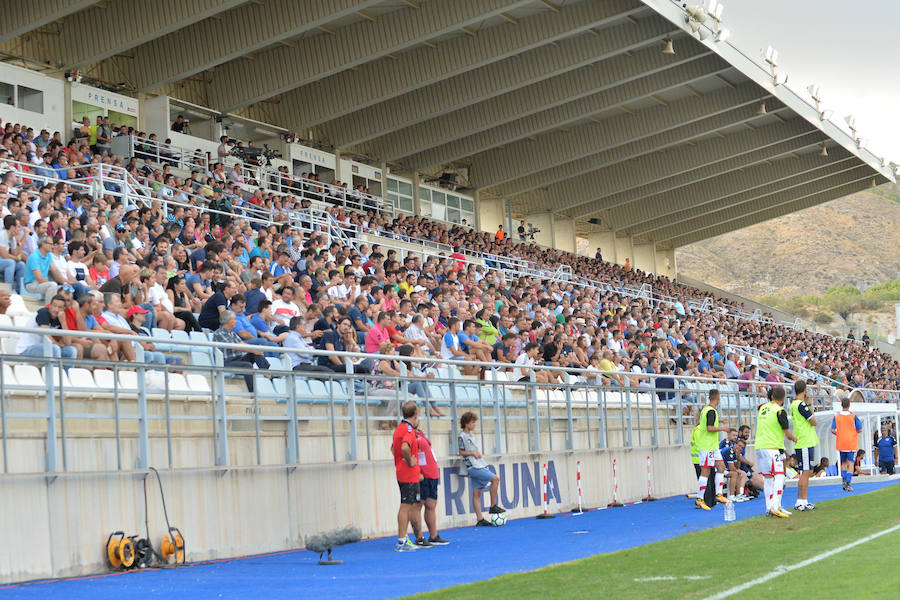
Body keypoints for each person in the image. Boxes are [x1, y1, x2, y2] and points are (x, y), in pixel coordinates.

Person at [756, 386, 797, 518]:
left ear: (771, 396)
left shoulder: (763, 407)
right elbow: (787, 433)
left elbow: (760, 405)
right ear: (783, 398)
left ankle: (770, 508)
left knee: (768, 478)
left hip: (760, 447)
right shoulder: (780, 411)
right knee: (780, 476)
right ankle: (775, 506)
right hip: (771, 447)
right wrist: (796, 439)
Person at [457, 411, 505, 526]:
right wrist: (473, 453)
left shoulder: (471, 435)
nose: (474, 425)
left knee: (477, 492)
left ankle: (480, 519)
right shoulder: (461, 436)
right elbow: (461, 452)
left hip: (478, 463)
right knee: (495, 479)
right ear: (467, 423)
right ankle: (493, 506)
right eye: (472, 422)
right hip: (472, 466)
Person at [210, 310, 269, 392]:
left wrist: (255, 350)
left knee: (254, 353)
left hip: (237, 359)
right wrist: (254, 350)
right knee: (247, 365)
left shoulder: (232, 333)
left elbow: (242, 343)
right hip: (226, 363)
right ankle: (253, 393)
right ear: (228, 321)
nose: (236, 321)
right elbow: (235, 347)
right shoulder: (219, 333)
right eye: (234, 319)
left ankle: (267, 373)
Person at [391, 401, 423, 552]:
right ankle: (402, 540)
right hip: (408, 474)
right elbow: (404, 447)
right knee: (406, 505)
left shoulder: (399, 428)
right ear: (415, 414)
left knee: (409, 505)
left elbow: (393, 448)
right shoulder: (408, 430)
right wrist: (410, 461)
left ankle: (404, 539)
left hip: (404, 472)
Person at [413, 426, 449, 547]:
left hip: (432, 474)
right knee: (418, 506)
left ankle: (433, 536)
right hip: (424, 475)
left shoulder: (420, 433)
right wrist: (417, 473)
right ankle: (419, 538)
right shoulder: (410, 435)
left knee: (431, 505)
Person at [694, 389, 729, 510]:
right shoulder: (711, 411)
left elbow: (706, 422)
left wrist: (720, 420)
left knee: (721, 467)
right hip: (707, 446)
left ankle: (718, 494)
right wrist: (723, 428)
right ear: (718, 398)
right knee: (706, 472)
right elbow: (709, 428)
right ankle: (699, 499)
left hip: (713, 446)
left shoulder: (706, 409)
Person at [790, 380, 819, 511]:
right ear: (805, 390)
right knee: (805, 472)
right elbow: (814, 421)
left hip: (802, 441)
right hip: (805, 441)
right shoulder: (801, 405)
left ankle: (802, 501)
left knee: (806, 471)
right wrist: (808, 403)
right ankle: (801, 501)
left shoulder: (793, 404)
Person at [831, 394, 863, 492]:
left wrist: (840, 434)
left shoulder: (836, 416)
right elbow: (860, 429)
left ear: (841, 405)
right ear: (849, 405)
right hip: (851, 442)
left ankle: (844, 481)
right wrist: (853, 433)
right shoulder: (853, 416)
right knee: (851, 463)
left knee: (843, 463)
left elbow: (832, 430)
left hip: (841, 443)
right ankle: (848, 483)